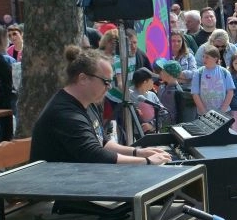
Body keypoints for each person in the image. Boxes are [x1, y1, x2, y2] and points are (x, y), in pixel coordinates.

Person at [29, 46, 172, 165]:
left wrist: (138, 152)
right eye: (106, 82)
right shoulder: (65, 113)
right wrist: (146, 161)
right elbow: (94, 154)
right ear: (83, 78)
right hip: (58, 186)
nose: (109, 87)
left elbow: (102, 142)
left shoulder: (89, 103)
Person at [191, 46, 234, 116]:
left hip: (224, 112)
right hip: (204, 113)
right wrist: (204, 112)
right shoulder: (198, 73)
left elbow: (230, 92)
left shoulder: (225, 72)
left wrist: (221, 111)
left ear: (215, 59)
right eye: (203, 56)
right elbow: (195, 94)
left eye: (207, 57)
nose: (204, 59)